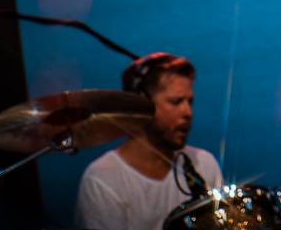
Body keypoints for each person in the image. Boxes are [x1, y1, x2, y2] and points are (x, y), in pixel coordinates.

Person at [74, 53, 223, 230]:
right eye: (176, 102)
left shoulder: (204, 165)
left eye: (190, 102)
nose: (188, 112)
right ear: (141, 106)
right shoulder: (103, 179)